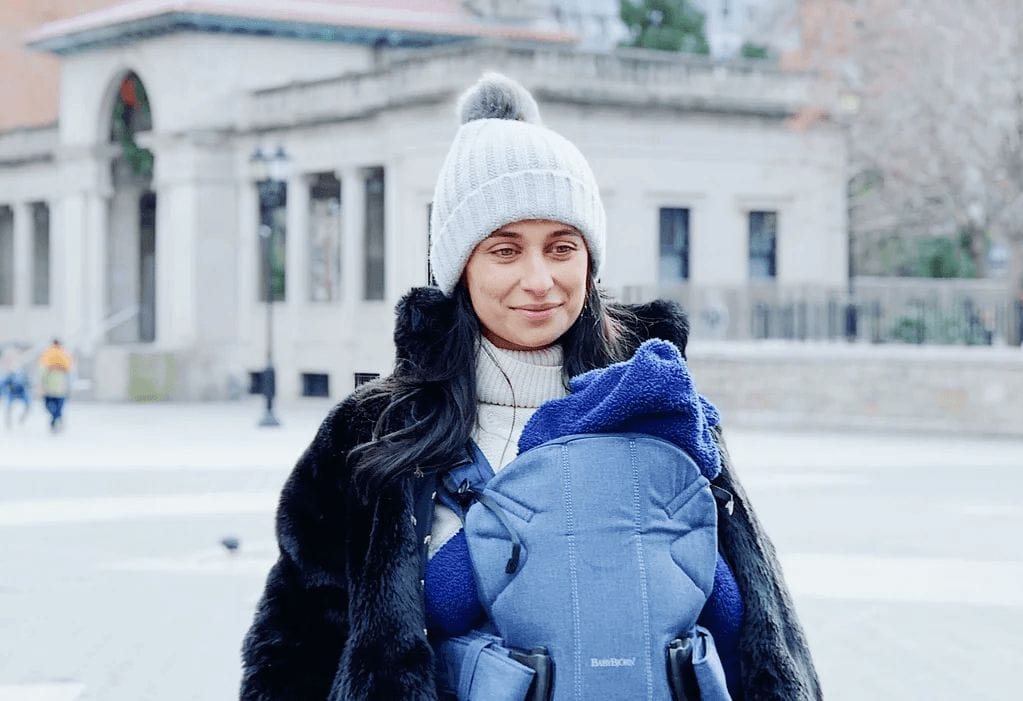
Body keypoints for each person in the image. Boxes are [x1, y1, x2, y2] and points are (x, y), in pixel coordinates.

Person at [241, 73, 821, 700]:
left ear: (590, 261)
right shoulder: (374, 432)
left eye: (562, 247)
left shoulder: (657, 401)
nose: (540, 279)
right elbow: (294, 649)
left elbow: (759, 632)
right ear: (460, 266)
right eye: (506, 251)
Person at [38, 339, 73, 432]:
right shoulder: (49, 355)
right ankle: (56, 418)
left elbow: (69, 371)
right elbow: (43, 372)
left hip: (59, 390)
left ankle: (55, 420)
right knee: (51, 407)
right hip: (51, 389)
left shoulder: (63, 355)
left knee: (57, 407)